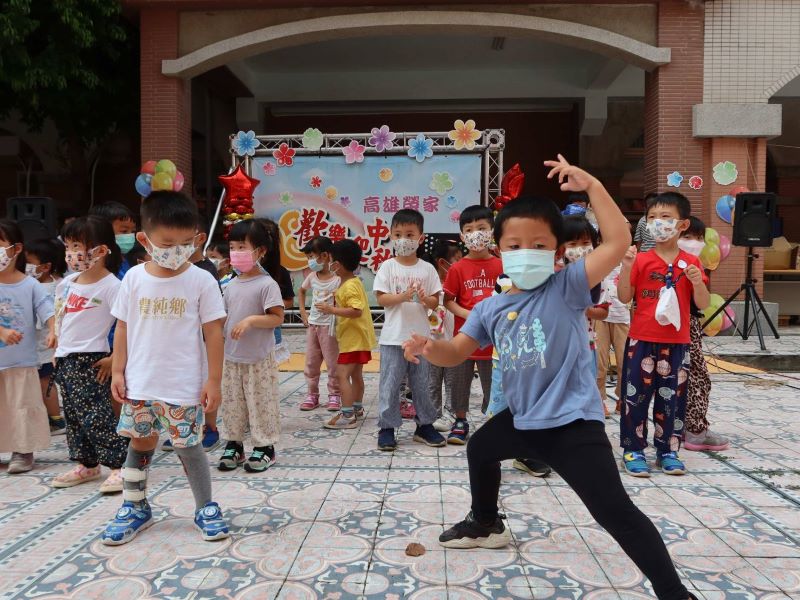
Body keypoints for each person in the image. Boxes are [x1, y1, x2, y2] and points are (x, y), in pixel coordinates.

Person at [402, 156, 696, 600]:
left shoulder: (568, 286)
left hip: (573, 427)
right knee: (480, 449)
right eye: (515, 244)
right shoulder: (490, 308)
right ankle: (486, 522)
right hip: (521, 420)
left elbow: (616, 240)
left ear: (557, 251)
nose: (526, 252)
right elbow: (456, 351)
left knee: (615, 513)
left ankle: (674, 593)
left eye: (538, 245)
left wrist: (593, 183)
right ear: (500, 248)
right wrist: (428, 347)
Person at [101, 190, 230, 545]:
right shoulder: (134, 279)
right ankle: (135, 505)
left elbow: (214, 332)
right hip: (139, 383)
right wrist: (118, 371)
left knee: (189, 445)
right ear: (145, 239)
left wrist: (213, 380)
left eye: (186, 243)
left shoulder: (202, 280)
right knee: (140, 443)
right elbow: (123, 327)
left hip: (183, 384)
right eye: (168, 242)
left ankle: (205, 507)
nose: (176, 250)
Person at [617, 192, 710, 477]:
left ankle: (668, 450)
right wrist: (626, 267)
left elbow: (703, 304)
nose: (658, 223)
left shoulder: (691, 262)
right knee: (635, 397)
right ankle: (633, 449)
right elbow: (624, 297)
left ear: (682, 225)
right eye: (653, 218)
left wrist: (697, 283)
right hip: (641, 340)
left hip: (677, 343)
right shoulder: (641, 259)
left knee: (672, 401)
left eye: (665, 218)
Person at [51, 217, 129, 492]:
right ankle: (87, 463)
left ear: (101, 250)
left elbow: (126, 326)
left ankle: (120, 465)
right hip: (65, 358)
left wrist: (114, 359)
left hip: (91, 358)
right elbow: (61, 315)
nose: (71, 252)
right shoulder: (68, 283)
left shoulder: (112, 287)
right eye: (69, 245)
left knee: (97, 414)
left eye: (78, 246)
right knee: (73, 415)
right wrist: (56, 343)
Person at [374, 209, 447, 451]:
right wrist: (403, 296)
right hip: (393, 338)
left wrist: (425, 299)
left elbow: (436, 302)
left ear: (421, 238)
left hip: (421, 340)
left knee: (422, 383)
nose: (403, 239)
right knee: (390, 384)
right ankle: (387, 427)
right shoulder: (387, 267)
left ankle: (425, 425)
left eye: (409, 234)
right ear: (390, 236)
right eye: (397, 234)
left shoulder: (427, 269)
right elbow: (382, 299)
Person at [218, 220, 284, 472]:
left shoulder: (267, 284)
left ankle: (265, 447)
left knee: (261, 402)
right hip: (232, 357)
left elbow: (276, 317)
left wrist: (251, 320)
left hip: (258, 358)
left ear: (260, 251)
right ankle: (234, 445)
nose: (235, 253)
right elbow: (223, 317)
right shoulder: (230, 285)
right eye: (232, 247)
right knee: (233, 403)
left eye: (242, 247)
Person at [443, 206, 503, 444]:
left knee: (495, 384)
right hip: (464, 338)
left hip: (495, 340)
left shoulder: (502, 265)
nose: (475, 234)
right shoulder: (457, 268)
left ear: (492, 231)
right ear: (462, 236)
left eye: (481, 228)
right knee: (459, 381)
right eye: (469, 230)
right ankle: (460, 421)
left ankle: (493, 421)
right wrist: (472, 315)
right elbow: (448, 301)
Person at [0, 219, 54, 473]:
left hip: (21, 362)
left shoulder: (30, 284)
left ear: (16, 248)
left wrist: (55, 329)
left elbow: (47, 309)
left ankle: (23, 451)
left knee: (22, 406)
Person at [678, 217, 730, 452]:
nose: (694, 243)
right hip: (665, 328)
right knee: (690, 377)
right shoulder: (653, 262)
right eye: (687, 237)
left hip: (689, 324)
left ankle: (693, 428)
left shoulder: (695, 267)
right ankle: (688, 429)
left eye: (699, 238)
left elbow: (703, 301)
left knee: (696, 377)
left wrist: (697, 282)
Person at [319, 239, 377, 429]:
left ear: (337, 264)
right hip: (358, 339)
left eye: (331, 260)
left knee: (341, 375)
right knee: (356, 375)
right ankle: (357, 407)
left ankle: (347, 414)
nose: (329, 264)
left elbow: (356, 310)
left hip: (353, 341)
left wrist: (330, 309)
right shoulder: (352, 282)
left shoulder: (349, 286)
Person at [562, 215, 610, 416]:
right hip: (556, 345)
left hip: (585, 343)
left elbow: (603, 312)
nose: (580, 248)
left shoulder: (598, 276)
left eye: (585, 243)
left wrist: (583, 307)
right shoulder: (553, 273)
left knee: (585, 387)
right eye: (572, 243)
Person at [25, 238, 67, 434]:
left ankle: (55, 420)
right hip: (44, 346)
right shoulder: (56, 283)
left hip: (43, 347)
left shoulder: (42, 289)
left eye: (28, 263)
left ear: (45, 266)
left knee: (45, 383)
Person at [298, 236, 341, 411]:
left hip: (330, 328)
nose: (310, 261)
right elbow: (301, 291)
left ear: (324, 256)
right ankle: (312, 394)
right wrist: (303, 312)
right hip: (313, 326)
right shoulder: (312, 277)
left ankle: (335, 395)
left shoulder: (338, 278)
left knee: (333, 362)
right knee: (311, 362)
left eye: (311, 256)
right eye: (307, 257)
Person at [427, 238, 461, 432]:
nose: (461, 263)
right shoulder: (430, 284)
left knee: (452, 381)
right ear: (442, 262)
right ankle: (432, 414)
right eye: (457, 259)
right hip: (433, 342)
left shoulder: (459, 282)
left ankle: (451, 413)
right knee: (432, 382)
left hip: (455, 342)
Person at [594, 255, 630, 415]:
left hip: (622, 317)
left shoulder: (629, 259)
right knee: (599, 362)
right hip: (599, 314)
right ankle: (599, 400)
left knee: (625, 362)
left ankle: (622, 398)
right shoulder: (598, 256)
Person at [89, 201, 137, 280]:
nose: (130, 236)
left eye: (132, 231)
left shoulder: (125, 259)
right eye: (124, 231)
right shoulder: (95, 266)